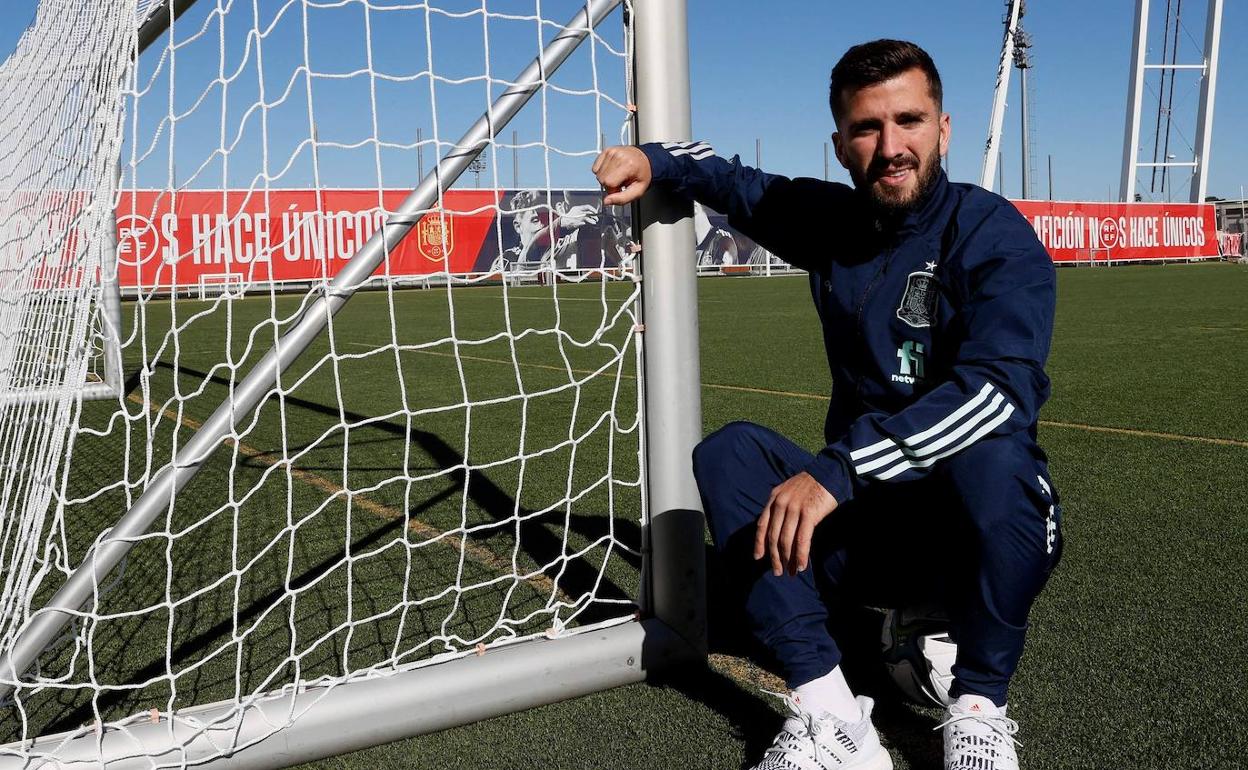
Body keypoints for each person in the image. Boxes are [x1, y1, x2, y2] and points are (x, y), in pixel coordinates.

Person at [591, 39, 1062, 770]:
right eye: (867, 129)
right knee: (730, 453)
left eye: (910, 120)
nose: (891, 146)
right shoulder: (834, 221)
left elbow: (999, 393)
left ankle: (977, 707)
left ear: (944, 128)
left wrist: (837, 470)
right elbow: (734, 182)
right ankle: (833, 717)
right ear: (840, 145)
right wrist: (654, 160)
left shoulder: (992, 235)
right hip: (868, 533)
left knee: (996, 463)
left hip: (966, 530)